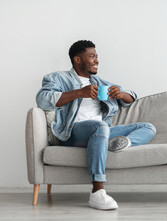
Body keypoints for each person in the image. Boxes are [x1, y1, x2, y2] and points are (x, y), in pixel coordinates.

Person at [36, 40, 157, 210]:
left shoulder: (100, 82)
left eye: (97, 57)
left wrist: (120, 94)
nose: (97, 60)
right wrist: (79, 93)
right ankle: (97, 191)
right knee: (100, 127)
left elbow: (131, 98)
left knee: (148, 127)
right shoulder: (58, 78)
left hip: (101, 131)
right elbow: (42, 99)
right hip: (73, 132)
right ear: (77, 60)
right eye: (92, 56)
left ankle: (117, 144)